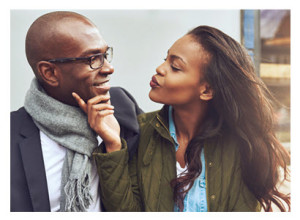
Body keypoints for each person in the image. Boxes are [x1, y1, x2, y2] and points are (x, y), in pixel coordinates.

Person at [74, 25, 291, 212]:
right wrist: (112, 145)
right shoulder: (139, 132)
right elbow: (124, 211)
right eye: (165, 59)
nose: (160, 69)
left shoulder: (243, 147)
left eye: (175, 67)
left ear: (206, 90)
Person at [10, 11, 142, 212]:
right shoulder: (10, 136)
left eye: (105, 55)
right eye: (92, 59)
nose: (109, 68)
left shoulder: (122, 107)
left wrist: (113, 146)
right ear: (50, 73)